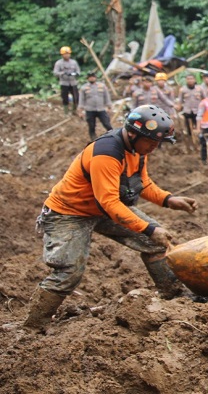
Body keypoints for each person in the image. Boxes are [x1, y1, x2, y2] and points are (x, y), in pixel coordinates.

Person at [20, 106, 198, 332]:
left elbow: (141, 182)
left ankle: (172, 295)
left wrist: (168, 199)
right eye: (152, 142)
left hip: (102, 209)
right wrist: (150, 228)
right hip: (69, 212)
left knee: (155, 243)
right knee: (69, 270)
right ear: (133, 134)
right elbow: (110, 202)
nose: (155, 148)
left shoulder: (137, 151)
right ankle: (33, 326)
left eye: (158, 143)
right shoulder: (106, 153)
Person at [77, 72, 113, 140]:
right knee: (91, 126)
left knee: (107, 124)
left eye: (93, 77)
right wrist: (80, 110)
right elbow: (81, 100)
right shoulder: (84, 88)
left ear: (95, 77)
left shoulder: (102, 86)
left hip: (101, 109)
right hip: (90, 110)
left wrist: (109, 106)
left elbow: (107, 97)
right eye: (90, 77)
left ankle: (112, 135)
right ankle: (93, 139)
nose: (92, 78)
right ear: (88, 78)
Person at [53, 46, 81, 115]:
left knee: (76, 97)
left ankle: (74, 110)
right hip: (64, 83)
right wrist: (63, 73)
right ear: (62, 55)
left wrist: (75, 74)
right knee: (65, 98)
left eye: (68, 54)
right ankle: (66, 112)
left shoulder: (74, 62)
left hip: (73, 82)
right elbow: (55, 73)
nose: (67, 55)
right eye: (65, 54)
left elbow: (78, 71)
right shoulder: (58, 63)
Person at [178, 74, 207, 138]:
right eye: (188, 79)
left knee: (199, 126)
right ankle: (190, 139)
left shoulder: (199, 89)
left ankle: (200, 139)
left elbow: (205, 99)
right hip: (187, 111)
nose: (190, 80)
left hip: (197, 111)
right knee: (188, 127)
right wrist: (179, 107)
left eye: (191, 79)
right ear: (186, 80)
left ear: (194, 80)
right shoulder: (183, 89)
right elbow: (180, 100)